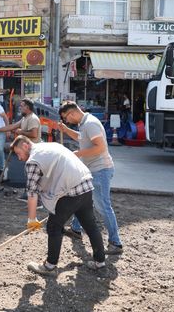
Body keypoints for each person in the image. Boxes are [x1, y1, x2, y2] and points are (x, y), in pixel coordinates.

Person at [10, 135, 106, 276]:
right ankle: (100, 261)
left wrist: (31, 219)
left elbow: (31, 193)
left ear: (25, 145)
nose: (19, 158)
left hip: (70, 191)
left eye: (18, 153)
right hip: (85, 184)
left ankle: (49, 266)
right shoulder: (50, 145)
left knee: (54, 226)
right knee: (90, 225)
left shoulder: (33, 161)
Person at [58, 101, 123, 255]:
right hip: (92, 170)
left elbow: (100, 147)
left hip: (100, 171)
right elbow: (83, 138)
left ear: (72, 113)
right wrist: (66, 130)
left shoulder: (91, 124)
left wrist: (76, 154)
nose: (66, 121)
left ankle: (116, 243)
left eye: (66, 118)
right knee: (82, 199)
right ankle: (76, 229)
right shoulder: (84, 123)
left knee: (103, 207)